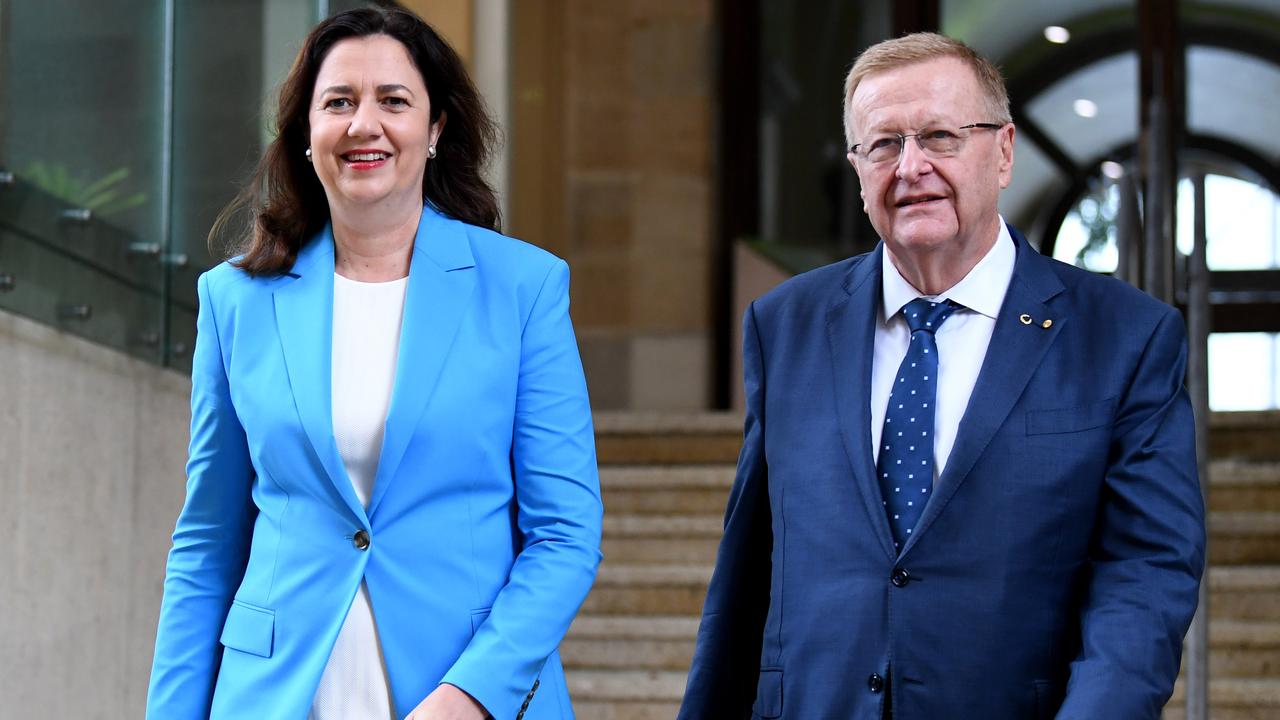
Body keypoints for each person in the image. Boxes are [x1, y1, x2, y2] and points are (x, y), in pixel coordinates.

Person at [679, 33, 1204, 719]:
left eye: (939, 136)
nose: (911, 166)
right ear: (856, 167)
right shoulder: (785, 324)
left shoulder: (1126, 336)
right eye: (884, 144)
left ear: (1004, 150)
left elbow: (1145, 577)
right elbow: (749, 570)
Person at [146, 7, 602, 720]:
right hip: (276, 693)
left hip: (464, 691)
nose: (365, 125)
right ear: (305, 131)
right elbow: (207, 541)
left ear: (436, 128)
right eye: (339, 102)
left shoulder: (524, 288)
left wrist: (469, 696)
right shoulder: (235, 300)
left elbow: (566, 534)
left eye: (394, 100)